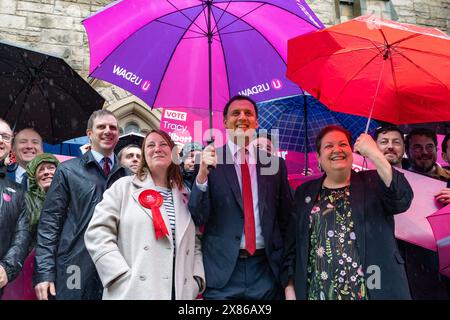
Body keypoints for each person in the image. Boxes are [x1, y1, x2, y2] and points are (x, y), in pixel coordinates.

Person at [282, 125, 413, 300]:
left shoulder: (373, 181)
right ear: (319, 158)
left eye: (343, 144)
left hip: (374, 290)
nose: (337, 149)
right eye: (329, 146)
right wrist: (290, 288)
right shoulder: (304, 193)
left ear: (352, 152)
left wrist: (375, 154)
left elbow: (402, 199)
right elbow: (292, 246)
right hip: (319, 293)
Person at [188, 95, 293, 299]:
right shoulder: (208, 161)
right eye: (236, 113)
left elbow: (286, 220)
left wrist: (287, 273)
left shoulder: (275, 165)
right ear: (225, 122)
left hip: (266, 272)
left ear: (256, 122)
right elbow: (198, 217)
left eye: (248, 113)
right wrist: (202, 175)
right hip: (222, 273)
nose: (242, 117)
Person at [85, 129, 205, 300]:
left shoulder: (185, 194)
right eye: (150, 145)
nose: (157, 148)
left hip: (178, 292)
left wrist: (196, 281)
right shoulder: (123, 187)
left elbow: (195, 244)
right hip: (133, 291)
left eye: (163, 144)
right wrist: (118, 275)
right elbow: (97, 233)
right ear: (144, 155)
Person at [33, 110, 130, 300]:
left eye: (113, 128)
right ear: (89, 134)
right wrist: (44, 273)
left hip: (116, 265)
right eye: (101, 127)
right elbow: (50, 223)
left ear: (118, 134)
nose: (108, 131)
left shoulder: (127, 176)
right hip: (74, 265)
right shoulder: (68, 170)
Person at [2, 153, 60, 300]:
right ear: (34, 177)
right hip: (29, 269)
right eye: (41, 169)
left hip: (67, 269)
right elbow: (20, 236)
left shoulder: (72, 201)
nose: (47, 172)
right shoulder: (25, 200)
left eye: (51, 168)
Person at [0, 118, 31, 299]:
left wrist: (7, 267)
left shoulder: (18, 192)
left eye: (5, 136)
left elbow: (22, 235)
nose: (0, 140)